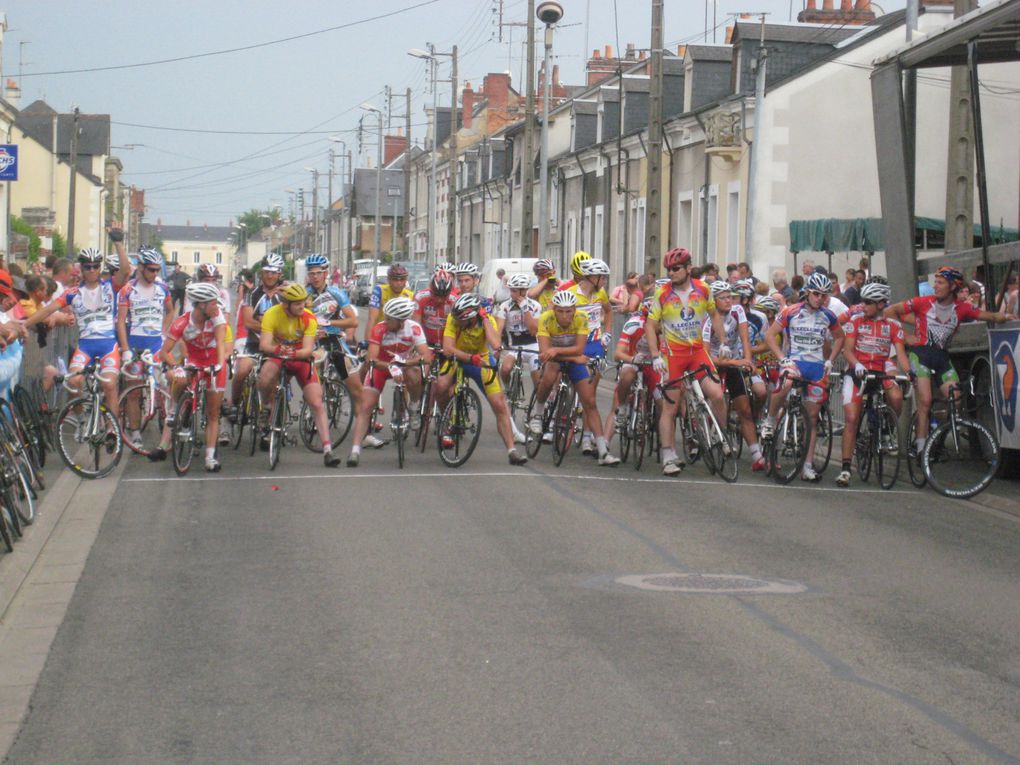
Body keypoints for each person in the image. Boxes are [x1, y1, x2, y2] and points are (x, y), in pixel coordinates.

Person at [885, 265, 1016, 457]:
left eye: (940, 283)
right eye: (935, 282)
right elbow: (890, 312)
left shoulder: (961, 308)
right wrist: (904, 337)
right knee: (926, 401)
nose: (936, 286)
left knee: (955, 399)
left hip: (941, 358)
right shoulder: (923, 302)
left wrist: (1005, 317)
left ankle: (937, 437)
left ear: (953, 286)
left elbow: (987, 315)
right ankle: (921, 448)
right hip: (919, 355)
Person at [25, 223, 132, 415]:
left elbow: (125, 270)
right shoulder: (72, 293)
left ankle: (111, 431)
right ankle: (81, 419)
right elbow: (47, 310)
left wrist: (118, 243)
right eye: (87, 266)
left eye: (95, 266)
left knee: (109, 385)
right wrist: (24, 324)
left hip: (108, 345)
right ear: (81, 268)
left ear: (100, 268)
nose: (91, 270)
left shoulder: (110, 286)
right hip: (85, 346)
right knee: (73, 382)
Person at [645, 247, 729, 476]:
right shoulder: (662, 293)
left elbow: (713, 315)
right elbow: (650, 326)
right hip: (674, 355)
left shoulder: (703, 289)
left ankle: (719, 434)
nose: (671, 273)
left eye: (676, 268)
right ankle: (669, 455)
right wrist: (655, 356)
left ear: (688, 268)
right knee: (670, 407)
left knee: (718, 395)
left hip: (698, 352)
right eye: (668, 269)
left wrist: (723, 342)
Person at [762, 271, 845, 482]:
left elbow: (840, 337)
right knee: (787, 381)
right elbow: (770, 336)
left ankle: (807, 466)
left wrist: (831, 359)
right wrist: (782, 358)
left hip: (817, 368)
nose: (820, 298)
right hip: (795, 362)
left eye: (824, 295)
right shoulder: (791, 311)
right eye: (817, 294)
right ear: (808, 292)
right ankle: (771, 420)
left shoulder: (829, 316)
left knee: (812, 419)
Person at [435, 293, 528, 465]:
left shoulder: (487, 320)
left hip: (481, 359)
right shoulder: (453, 319)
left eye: (462, 320)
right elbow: (448, 349)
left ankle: (512, 450)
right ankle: (445, 418)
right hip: (457, 358)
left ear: (472, 317)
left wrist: (485, 322)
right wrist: (470, 358)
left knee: (499, 404)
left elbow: (495, 344)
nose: (458, 323)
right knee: (440, 386)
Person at [529, 289, 620, 465]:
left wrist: (558, 351)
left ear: (574, 310)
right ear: (554, 310)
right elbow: (545, 353)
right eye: (560, 311)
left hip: (569, 357)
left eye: (569, 311)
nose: (564, 316)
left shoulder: (581, 318)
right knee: (548, 377)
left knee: (589, 401)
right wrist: (565, 355)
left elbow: (579, 349)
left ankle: (602, 451)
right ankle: (538, 413)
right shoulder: (545, 318)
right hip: (556, 359)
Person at [835, 281, 912, 488]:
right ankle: (845, 468)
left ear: (881, 304)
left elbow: (901, 354)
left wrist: (910, 372)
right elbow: (847, 350)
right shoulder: (856, 321)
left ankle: (886, 429)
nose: (864, 305)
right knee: (852, 418)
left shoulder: (894, 326)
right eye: (863, 301)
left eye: (868, 302)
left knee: (896, 397)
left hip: (880, 370)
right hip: (857, 371)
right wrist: (857, 364)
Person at [259, 283, 342, 467]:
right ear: (285, 304)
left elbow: (306, 350)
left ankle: (328, 450)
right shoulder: (272, 314)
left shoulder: (309, 318)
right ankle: (267, 406)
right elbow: (264, 345)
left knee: (316, 401)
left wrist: (292, 353)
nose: (301, 306)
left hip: (299, 358)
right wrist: (279, 350)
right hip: (277, 354)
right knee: (265, 376)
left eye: (303, 302)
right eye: (297, 304)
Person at [148, 282, 229, 471]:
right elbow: (164, 353)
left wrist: (218, 366)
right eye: (213, 303)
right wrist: (176, 366)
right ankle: (174, 410)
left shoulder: (217, 318)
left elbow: (220, 343)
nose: (217, 306)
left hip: (213, 363)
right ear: (201, 305)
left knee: (213, 412)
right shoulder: (182, 322)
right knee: (180, 378)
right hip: (194, 362)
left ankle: (210, 457)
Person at [347, 296, 433, 467]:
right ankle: (355, 450)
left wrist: (405, 363)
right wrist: (390, 366)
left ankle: (414, 407)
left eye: (389, 319)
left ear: (401, 321)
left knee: (416, 373)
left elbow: (427, 357)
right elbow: (371, 359)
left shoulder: (414, 329)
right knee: (366, 406)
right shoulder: (380, 329)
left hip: (404, 364)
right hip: (381, 365)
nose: (385, 321)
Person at [116, 247, 174, 450]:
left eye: (157, 270)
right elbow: (121, 321)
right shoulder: (127, 290)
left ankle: (166, 432)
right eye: (151, 269)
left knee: (165, 387)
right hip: (134, 344)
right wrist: (125, 349)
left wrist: (163, 333)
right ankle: (135, 431)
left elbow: (170, 311)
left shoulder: (163, 288)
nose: (154, 273)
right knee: (133, 391)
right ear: (141, 267)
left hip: (155, 344)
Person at [705, 281, 766, 471]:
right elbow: (706, 355)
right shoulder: (707, 320)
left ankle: (757, 454)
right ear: (714, 301)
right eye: (723, 298)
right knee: (712, 402)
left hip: (733, 360)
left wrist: (747, 360)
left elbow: (745, 338)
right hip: (713, 361)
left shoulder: (737, 310)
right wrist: (735, 362)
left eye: (730, 297)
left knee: (745, 408)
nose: (728, 301)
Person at [304, 253, 364, 421]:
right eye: (312, 273)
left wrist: (330, 325)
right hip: (312, 340)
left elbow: (353, 321)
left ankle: (364, 432)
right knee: (312, 372)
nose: (315, 277)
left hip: (333, 339)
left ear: (325, 273)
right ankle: (310, 405)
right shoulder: (303, 295)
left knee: (356, 388)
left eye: (318, 273)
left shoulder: (336, 293)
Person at [564, 258, 614, 455]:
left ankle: (586, 436)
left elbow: (609, 312)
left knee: (590, 394)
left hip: (595, 345)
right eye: (602, 278)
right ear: (591, 277)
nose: (605, 282)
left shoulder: (600, 293)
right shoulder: (571, 295)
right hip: (576, 344)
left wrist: (607, 334)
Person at [229, 253, 286, 421]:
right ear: (261, 273)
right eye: (267, 271)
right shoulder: (251, 293)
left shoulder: (285, 294)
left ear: (280, 274)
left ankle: (269, 422)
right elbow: (248, 322)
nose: (270, 275)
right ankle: (234, 404)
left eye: (274, 272)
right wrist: (273, 327)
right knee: (241, 372)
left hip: (276, 346)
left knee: (273, 383)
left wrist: (262, 322)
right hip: (254, 343)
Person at [494, 273, 542, 444]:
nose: (515, 294)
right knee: (505, 368)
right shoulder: (505, 307)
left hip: (532, 346)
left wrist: (524, 308)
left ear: (525, 290)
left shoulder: (535, 306)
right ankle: (508, 389)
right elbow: (499, 328)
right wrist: (497, 346)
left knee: (538, 379)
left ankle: (537, 412)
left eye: (519, 291)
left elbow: (533, 330)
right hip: (513, 346)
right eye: (513, 291)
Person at [365, 263, 414, 343]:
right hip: (381, 334)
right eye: (395, 279)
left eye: (402, 279)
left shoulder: (410, 296)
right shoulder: (379, 290)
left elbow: (413, 323)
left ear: (406, 280)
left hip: (401, 337)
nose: (399, 283)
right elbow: (372, 318)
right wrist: (367, 342)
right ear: (388, 280)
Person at [413, 267, 459, 348]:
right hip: (425, 343)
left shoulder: (455, 300)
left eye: (444, 296)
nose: (440, 300)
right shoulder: (420, 297)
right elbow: (416, 325)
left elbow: (458, 328)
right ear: (431, 290)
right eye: (436, 295)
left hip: (447, 344)